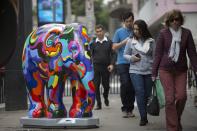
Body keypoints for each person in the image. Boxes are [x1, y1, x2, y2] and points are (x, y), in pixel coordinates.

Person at [152, 9, 197, 131]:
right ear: (168, 21)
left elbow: (192, 53)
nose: (175, 22)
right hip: (165, 70)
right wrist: (154, 72)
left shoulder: (187, 33)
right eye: (172, 20)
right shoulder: (163, 33)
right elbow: (158, 54)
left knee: (182, 97)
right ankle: (173, 127)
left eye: (177, 19)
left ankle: (176, 120)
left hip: (181, 70)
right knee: (170, 99)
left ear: (181, 20)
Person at [123, 19, 155, 126]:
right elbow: (125, 54)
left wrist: (156, 72)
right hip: (135, 71)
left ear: (143, 29)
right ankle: (143, 117)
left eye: (138, 29)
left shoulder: (151, 41)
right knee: (140, 92)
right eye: (134, 29)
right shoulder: (130, 41)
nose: (136, 31)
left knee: (146, 95)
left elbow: (155, 57)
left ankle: (144, 112)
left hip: (149, 71)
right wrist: (132, 58)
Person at [112, 11, 135, 118]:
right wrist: (124, 42)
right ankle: (125, 107)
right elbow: (114, 47)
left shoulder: (136, 31)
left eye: (131, 21)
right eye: (127, 21)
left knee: (132, 86)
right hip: (122, 62)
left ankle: (130, 109)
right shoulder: (118, 32)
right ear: (123, 21)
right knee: (125, 84)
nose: (129, 23)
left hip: (134, 62)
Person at [90, 24, 116, 110]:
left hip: (106, 67)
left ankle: (105, 97)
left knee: (106, 86)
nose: (99, 33)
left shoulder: (109, 42)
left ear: (103, 31)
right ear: (96, 33)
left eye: (100, 31)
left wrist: (112, 64)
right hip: (96, 67)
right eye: (97, 32)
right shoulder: (93, 43)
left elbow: (113, 54)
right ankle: (99, 104)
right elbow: (90, 55)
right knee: (96, 86)